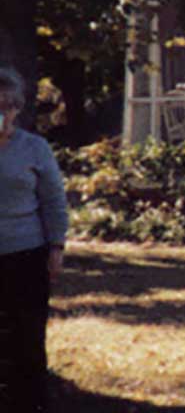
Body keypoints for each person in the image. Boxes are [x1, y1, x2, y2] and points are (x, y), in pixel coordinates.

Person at [0, 65, 67, 413]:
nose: (2, 114)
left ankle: (30, 402)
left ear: (17, 108)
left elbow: (54, 200)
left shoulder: (34, 148)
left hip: (26, 253)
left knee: (27, 336)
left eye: (7, 107)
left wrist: (56, 248)